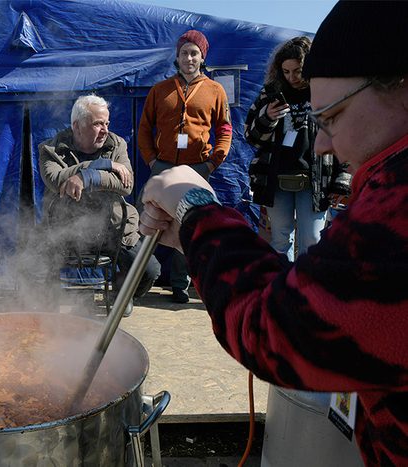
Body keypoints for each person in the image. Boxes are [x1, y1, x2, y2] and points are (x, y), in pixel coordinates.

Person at [139, 1, 408, 464]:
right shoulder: (164, 92)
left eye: (334, 118)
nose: (324, 143)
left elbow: (275, 327)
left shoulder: (397, 206)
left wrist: (197, 207)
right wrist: (191, 233)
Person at [39, 95, 160, 316]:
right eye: (97, 123)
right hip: (66, 231)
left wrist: (88, 178)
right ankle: (51, 308)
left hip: (112, 229)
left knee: (150, 270)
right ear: (77, 126)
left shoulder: (117, 144)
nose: (104, 129)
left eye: (106, 123)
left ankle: (121, 293)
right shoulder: (51, 149)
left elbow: (126, 185)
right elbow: (56, 180)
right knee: (31, 267)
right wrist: (102, 165)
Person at [138, 29, 232, 303]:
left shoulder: (216, 90)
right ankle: (138, 280)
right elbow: (144, 129)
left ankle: (181, 284)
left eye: (194, 53)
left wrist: (213, 163)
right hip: (163, 168)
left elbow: (225, 129)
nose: (189, 58)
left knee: (189, 226)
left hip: (195, 170)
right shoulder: (160, 90)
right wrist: (152, 161)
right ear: (177, 57)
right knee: (150, 222)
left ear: (202, 57)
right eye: (184, 53)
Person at [246, 37, 351, 261]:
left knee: (313, 240)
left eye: (297, 71)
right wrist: (267, 118)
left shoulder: (325, 92)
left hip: (316, 180)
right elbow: (251, 137)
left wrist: (342, 179)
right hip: (277, 179)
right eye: (285, 71)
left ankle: (307, 290)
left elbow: (344, 135)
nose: (291, 77)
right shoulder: (270, 93)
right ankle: (283, 291)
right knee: (280, 240)